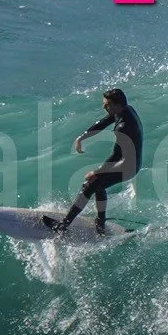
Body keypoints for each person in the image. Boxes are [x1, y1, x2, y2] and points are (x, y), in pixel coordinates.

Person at [44, 88, 142, 236]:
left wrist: (97, 171)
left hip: (128, 166)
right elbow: (103, 122)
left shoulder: (124, 127)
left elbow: (122, 160)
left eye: (107, 105)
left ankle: (63, 226)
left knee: (89, 185)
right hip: (123, 161)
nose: (104, 107)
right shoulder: (125, 110)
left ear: (118, 105)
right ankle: (100, 224)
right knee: (97, 183)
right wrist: (81, 137)